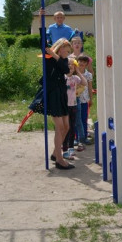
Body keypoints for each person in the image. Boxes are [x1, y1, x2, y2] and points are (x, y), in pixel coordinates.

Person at [43, 38, 75, 170]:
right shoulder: (49, 58)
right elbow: (43, 45)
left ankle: (55, 153)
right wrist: (41, 26)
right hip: (53, 94)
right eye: (67, 51)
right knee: (60, 127)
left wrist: (56, 56)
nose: (68, 54)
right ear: (60, 49)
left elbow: (66, 70)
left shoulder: (63, 60)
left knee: (66, 127)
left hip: (62, 94)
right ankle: (59, 160)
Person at [63, 57, 87, 159]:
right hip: (64, 106)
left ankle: (71, 148)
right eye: (68, 64)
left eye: (72, 65)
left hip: (73, 105)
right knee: (66, 128)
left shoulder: (75, 78)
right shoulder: (63, 77)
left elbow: (85, 83)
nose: (70, 66)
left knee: (72, 127)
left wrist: (78, 71)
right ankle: (64, 148)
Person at [76, 54, 94, 145]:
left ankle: (84, 137)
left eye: (84, 62)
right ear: (77, 62)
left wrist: (91, 99)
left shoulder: (88, 75)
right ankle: (76, 138)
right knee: (76, 119)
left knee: (84, 119)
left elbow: (90, 88)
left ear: (87, 64)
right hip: (74, 101)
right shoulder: (74, 73)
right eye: (80, 61)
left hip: (84, 100)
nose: (82, 63)